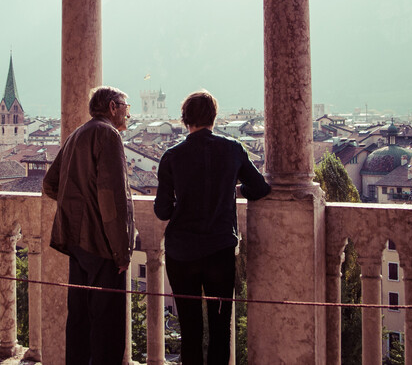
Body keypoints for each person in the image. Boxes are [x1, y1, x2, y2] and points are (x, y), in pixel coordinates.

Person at [153, 90, 271, 365]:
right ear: (214, 118)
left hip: (181, 253)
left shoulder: (172, 156)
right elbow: (260, 187)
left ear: (185, 120)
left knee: (190, 327)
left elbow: (162, 211)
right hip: (219, 249)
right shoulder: (232, 149)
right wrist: (234, 189)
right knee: (220, 327)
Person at [43, 86, 136, 365]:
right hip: (102, 245)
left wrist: (77, 204)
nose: (129, 112)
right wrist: (121, 252)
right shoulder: (108, 134)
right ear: (111, 107)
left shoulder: (77, 134)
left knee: (80, 318)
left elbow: (50, 184)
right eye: (126, 106)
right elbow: (112, 197)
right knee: (107, 325)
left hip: (77, 242)